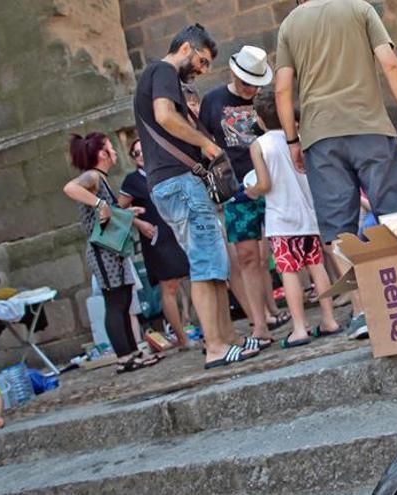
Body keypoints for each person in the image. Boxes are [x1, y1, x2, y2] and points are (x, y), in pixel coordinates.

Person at [274, 0, 397, 339]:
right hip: (370, 127)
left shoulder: (290, 25)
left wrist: (292, 140)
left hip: (320, 137)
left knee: (340, 231)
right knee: (395, 214)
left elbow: (282, 88)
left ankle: (365, 310)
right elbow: (391, 64)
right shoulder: (360, 9)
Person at [134, 24, 260, 369]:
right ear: (187, 48)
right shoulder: (162, 70)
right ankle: (216, 347)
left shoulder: (162, 76)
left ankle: (228, 337)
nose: (202, 71)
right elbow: (164, 115)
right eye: (202, 61)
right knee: (206, 264)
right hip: (179, 183)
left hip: (178, 183)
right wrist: (206, 144)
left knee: (215, 262)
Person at [198, 45, 287, 346]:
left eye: (257, 82)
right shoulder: (213, 101)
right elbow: (203, 142)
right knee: (247, 256)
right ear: (235, 74)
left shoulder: (265, 98)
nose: (251, 88)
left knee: (286, 246)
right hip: (237, 189)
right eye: (247, 82)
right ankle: (259, 324)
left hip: (275, 181)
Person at [245, 90, 342, 347]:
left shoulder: (259, 145)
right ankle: (329, 320)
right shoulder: (297, 139)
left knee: (289, 272)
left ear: (261, 119)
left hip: (282, 219)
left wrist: (251, 191)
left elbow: (264, 184)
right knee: (316, 266)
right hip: (307, 215)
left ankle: (299, 328)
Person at [62, 132, 161, 373]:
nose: (115, 152)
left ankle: (133, 351)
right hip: (102, 252)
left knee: (123, 300)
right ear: (101, 154)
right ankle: (124, 357)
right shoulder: (92, 176)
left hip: (113, 251)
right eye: (110, 148)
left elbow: (112, 214)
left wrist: (132, 217)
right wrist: (100, 204)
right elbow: (70, 188)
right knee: (115, 303)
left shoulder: (102, 179)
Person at [118, 139, 192, 348]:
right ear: (133, 158)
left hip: (178, 231)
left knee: (193, 277)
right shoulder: (132, 181)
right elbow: (118, 211)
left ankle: (195, 325)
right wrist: (138, 223)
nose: (141, 155)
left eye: (143, 150)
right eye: (136, 153)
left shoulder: (164, 170)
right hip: (157, 238)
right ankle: (181, 337)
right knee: (168, 285)